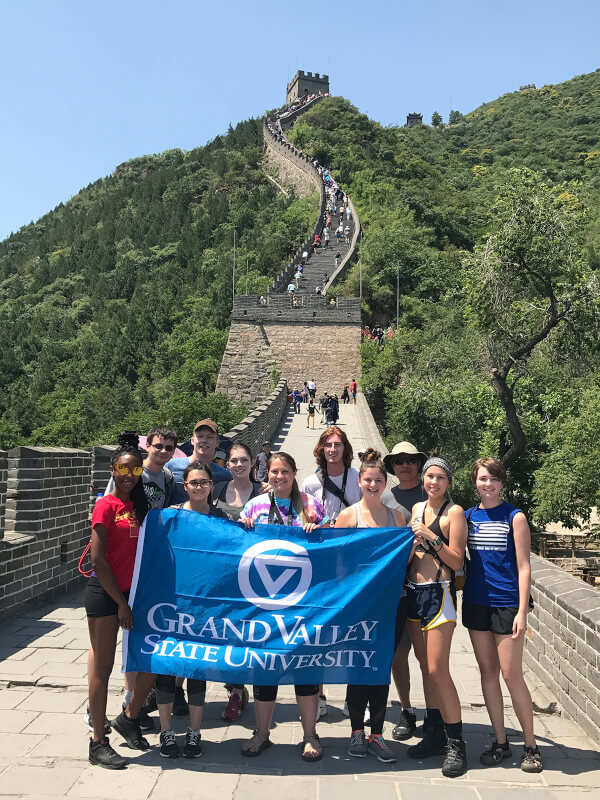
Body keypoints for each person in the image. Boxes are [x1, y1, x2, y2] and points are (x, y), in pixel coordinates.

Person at [239, 452, 328, 761]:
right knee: (265, 668)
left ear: (294, 473)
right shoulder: (254, 505)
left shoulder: (311, 506)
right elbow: (239, 546)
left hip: (303, 602)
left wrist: (320, 532)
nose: (279, 476)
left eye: (285, 471)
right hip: (264, 602)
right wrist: (243, 525)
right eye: (274, 471)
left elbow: (333, 547)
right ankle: (262, 733)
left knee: (304, 669)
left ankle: (310, 735)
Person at [463, 457, 543, 773]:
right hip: (476, 602)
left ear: (501, 483)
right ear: (475, 482)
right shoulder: (468, 516)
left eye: (494, 479)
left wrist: (522, 611)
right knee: (487, 673)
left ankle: (531, 745)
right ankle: (500, 741)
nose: (488, 484)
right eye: (483, 479)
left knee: (511, 674)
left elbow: (524, 567)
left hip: (507, 603)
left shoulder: (515, 516)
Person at [335, 450, 406, 763]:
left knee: (379, 668)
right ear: (359, 482)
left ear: (385, 482)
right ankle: (356, 731)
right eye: (368, 479)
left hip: (389, 604)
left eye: (378, 480)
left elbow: (402, 561)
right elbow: (336, 563)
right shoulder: (349, 516)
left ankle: (376, 734)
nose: (373, 484)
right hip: (359, 605)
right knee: (357, 666)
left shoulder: (396, 518)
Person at [156, 461, 230, 759]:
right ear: (184, 486)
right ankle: (166, 732)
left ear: (212, 484)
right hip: (173, 602)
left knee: (197, 668)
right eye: (193, 483)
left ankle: (194, 733)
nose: (199, 487)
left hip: (205, 606)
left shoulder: (222, 517)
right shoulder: (172, 516)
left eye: (204, 482)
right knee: (166, 667)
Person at [86, 434, 150, 769]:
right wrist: (121, 604)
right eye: (123, 468)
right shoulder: (106, 505)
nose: (129, 473)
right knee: (104, 668)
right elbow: (98, 561)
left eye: (135, 468)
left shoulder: (140, 506)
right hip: (105, 594)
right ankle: (98, 741)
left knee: (150, 663)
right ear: (113, 469)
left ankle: (129, 717)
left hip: (134, 594)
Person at [406, 456, 468, 777]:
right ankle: (433, 732)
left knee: (437, 669)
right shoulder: (417, 510)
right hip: (415, 594)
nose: (433, 482)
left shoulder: (454, 513)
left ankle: (456, 742)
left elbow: (457, 561)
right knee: (425, 670)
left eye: (440, 477)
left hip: (440, 594)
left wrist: (431, 538)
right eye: (429, 476)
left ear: (448, 482)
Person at [382, 441, 428, 741]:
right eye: (399, 460)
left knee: (429, 659)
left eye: (411, 460)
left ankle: (436, 713)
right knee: (398, 655)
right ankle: (408, 710)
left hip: (428, 586)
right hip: (397, 588)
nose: (405, 464)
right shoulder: (386, 497)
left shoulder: (432, 492)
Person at [167, 419, 231, 505]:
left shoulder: (225, 476)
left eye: (210, 437)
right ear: (192, 440)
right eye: (200, 436)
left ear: (217, 443)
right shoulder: (171, 466)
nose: (204, 440)